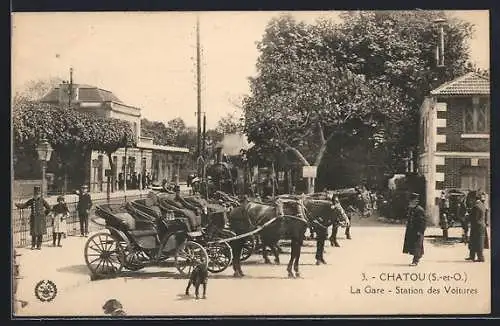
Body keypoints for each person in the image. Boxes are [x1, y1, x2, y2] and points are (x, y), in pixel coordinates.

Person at [402, 193, 427, 266]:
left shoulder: (419, 210)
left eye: (412, 201)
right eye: (410, 201)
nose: (410, 203)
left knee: (417, 245)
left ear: (416, 201)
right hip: (412, 230)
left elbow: (423, 222)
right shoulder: (412, 209)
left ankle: (415, 261)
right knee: (415, 245)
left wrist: (420, 231)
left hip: (417, 231)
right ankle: (419, 256)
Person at [466, 191, 487, 262]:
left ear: (473, 198)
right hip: (480, 225)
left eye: (470, 199)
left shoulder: (476, 206)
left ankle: (480, 258)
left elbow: (474, 218)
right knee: (474, 241)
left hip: (477, 226)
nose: (470, 200)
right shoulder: (481, 205)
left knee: (478, 242)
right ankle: (472, 256)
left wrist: (467, 217)